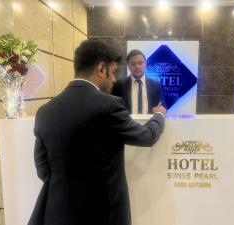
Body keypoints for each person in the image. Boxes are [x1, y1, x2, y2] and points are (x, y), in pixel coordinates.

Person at [28, 40, 166, 225]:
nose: (114, 79)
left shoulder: (45, 111)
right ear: (101, 69)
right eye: (113, 72)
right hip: (103, 213)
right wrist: (159, 117)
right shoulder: (109, 106)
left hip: (59, 213)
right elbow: (146, 136)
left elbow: (43, 169)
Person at [112, 49, 165, 114]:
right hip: (127, 123)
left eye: (140, 63)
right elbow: (113, 108)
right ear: (128, 66)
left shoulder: (156, 85)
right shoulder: (119, 85)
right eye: (133, 64)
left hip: (149, 123)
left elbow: (162, 107)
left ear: (145, 64)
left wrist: (158, 111)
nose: (137, 66)